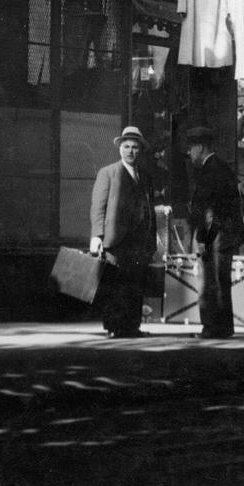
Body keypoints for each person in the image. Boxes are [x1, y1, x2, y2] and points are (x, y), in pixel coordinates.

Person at [90, 126, 157, 338]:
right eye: (126, 146)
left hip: (138, 241)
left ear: (140, 150)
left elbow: (149, 210)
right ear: (120, 149)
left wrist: (151, 240)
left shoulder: (145, 177)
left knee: (135, 284)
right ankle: (115, 327)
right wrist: (96, 236)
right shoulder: (107, 173)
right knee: (115, 284)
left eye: (135, 147)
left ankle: (132, 326)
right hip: (115, 239)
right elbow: (98, 206)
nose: (130, 151)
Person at [185, 126, 244, 339]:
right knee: (221, 282)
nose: (189, 153)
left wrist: (202, 238)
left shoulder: (208, 170)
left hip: (215, 235)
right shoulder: (222, 167)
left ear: (200, 147)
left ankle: (212, 327)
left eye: (191, 148)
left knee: (210, 283)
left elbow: (207, 210)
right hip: (226, 234)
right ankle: (224, 327)